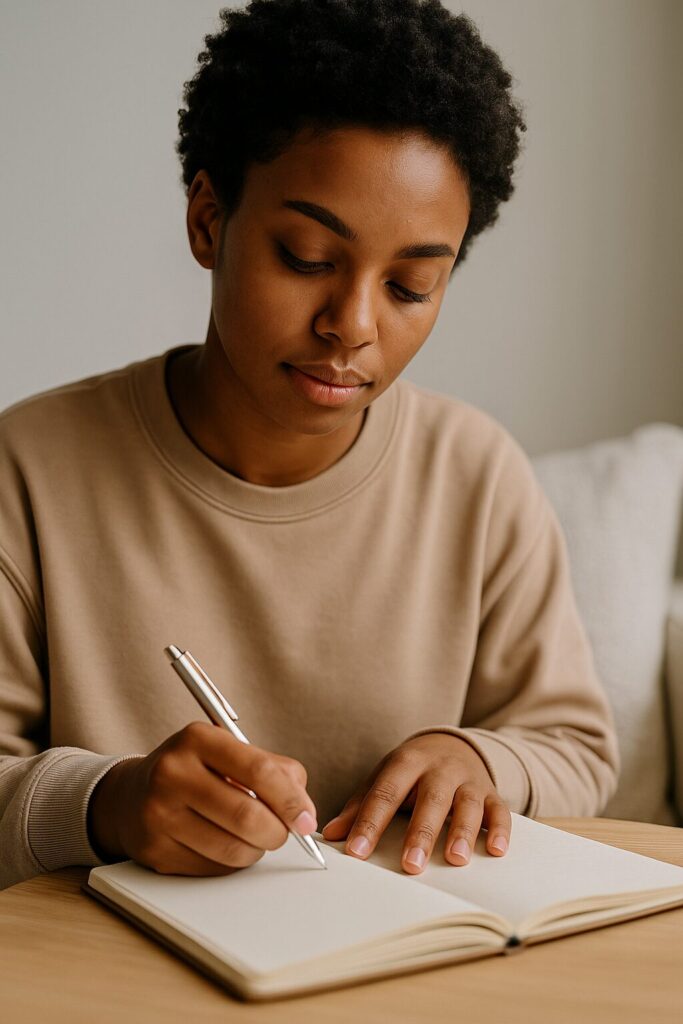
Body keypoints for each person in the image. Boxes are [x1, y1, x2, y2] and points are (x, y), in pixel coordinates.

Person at [0, 0, 619, 892]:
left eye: (410, 286)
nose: (352, 326)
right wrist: (108, 802)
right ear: (209, 221)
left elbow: (574, 749)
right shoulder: (29, 471)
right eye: (304, 257)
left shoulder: (477, 477)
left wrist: (479, 760)